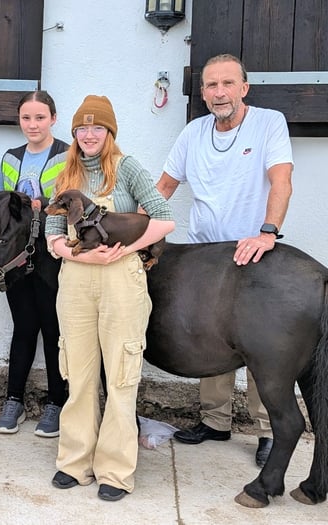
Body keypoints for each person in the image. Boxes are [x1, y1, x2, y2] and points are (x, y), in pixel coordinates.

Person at [156, 53, 293, 468]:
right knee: (207, 337)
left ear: (244, 88)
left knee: (259, 344)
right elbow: (162, 186)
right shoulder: (194, 132)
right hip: (204, 254)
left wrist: (268, 233)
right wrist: (132, 233)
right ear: (203, 93)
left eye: (227, 84)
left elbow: (281, 180)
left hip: (254, 253)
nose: (219, 93)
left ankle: (267, 428)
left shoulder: (270, 123)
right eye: (211, 86)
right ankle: (215, 421)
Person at [45, 95, 175, 501]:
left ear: (109, 132)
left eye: (97, 128)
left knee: (120, 374)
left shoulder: (127, 167)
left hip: (121, 278)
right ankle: (75, 461)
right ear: (74, 134)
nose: (89, 135)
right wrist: (74, 252)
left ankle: (115, 472)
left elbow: (163, 219)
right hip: (77, 279)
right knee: (78, 373)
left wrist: (126, 247)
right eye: (82, 129)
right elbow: (52, 238)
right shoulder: (62, 173)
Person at [0, 90, 69, 437]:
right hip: (17, 259)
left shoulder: (68, 155)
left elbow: (72, 204)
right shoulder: (11, 157)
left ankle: (56, 403)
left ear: (53, 118)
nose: (33, 124)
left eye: (40, 117)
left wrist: (43, 207)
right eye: (26, 118)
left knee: (54, 331)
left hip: (54, 257)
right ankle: (14, 400)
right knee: (23, 328)